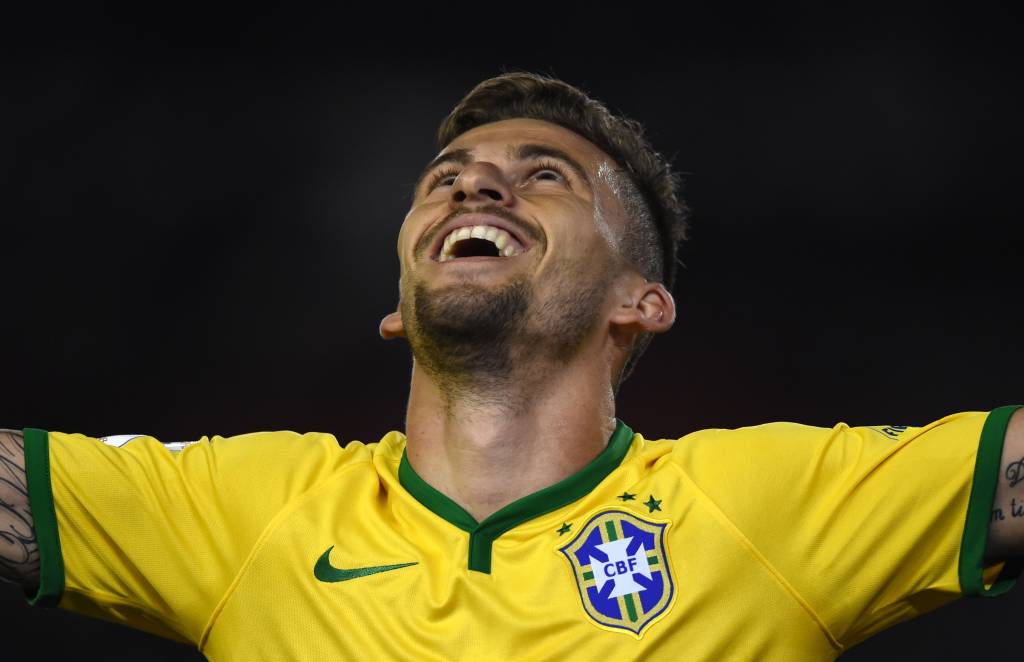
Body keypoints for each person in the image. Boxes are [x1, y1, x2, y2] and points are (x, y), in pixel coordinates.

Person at [0, 72, 1021, 660]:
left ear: (641, 301)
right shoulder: (245, 509)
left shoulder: (768, 506)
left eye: (543, 177)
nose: (474, 189)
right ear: (398, 309)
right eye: (446, 180)